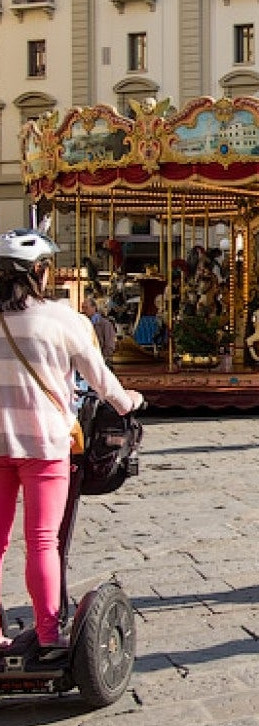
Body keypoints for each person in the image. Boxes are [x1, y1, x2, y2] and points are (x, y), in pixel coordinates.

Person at [0, 230, 143, 659]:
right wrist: (128, 401)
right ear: (39, 272)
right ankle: (47, 633)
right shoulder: (63, 319)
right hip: (45, 445)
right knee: (43, 540)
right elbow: (103, 382)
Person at [81, 295, 118, 364]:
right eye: (83, 308)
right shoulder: (81, 322)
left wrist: (103, 358)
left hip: (100, 359)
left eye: (86, 308)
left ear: (94, 308)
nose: (84, 310)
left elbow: (109, 344)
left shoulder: (105, 324)